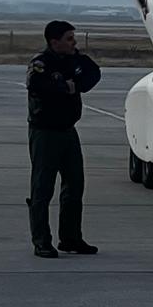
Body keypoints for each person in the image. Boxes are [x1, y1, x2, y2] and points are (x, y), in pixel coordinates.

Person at [26, 20, 101, 258]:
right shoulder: (41, 63)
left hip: (68, 131)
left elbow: (93, 74)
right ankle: (41, 240)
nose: (74, 42)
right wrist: (63, 86)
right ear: (54, 41)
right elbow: (39, 85)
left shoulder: (76, 60)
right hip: (45, 133)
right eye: (69, 38)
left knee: (74, 185)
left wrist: (72, 85)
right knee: (42, 188)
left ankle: (70, 238)